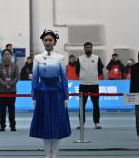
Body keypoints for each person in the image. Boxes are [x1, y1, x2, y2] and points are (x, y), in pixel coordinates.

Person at [30, 29, 71, 158]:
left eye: (50, 40)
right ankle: (48, 154)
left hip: (57, 93)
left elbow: (63, 78)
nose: (48, 42)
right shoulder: (37, 58)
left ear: (55, 42)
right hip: (42, 94)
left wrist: (66, 96)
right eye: (45, 40)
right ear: (43, 42)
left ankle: (55, 154)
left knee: (56, 123)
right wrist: (34, 96)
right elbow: (35, 78)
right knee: (45, 124)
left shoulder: (60, 57)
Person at [76, 42, 103, 130]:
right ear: (84, 49)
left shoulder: (97, 58)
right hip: (83, 85)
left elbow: (100, 70)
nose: (88, 49)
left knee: (96, 104)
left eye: (89, 47)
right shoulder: (80, 58)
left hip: (94, 84)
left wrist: (93, 76)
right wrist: (83, 77)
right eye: (86, 47)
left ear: (92, 48)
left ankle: (97, 123)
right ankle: (81, 123)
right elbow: (77, 71)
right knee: (82, 105)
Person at [0, 49, 19, 131]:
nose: (7, 56)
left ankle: (12, 125)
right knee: (2, 109)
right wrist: (5, 85)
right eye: (5, 54)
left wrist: (10, 84)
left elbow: (17, 77)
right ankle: (2, 126)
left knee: (11, 109)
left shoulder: (15, 66)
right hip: (2, 90)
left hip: (12, 90)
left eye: (8, 54)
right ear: (2, 56)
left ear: (11, 55)